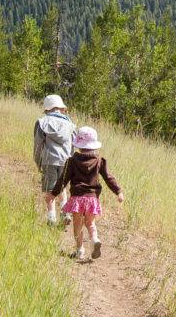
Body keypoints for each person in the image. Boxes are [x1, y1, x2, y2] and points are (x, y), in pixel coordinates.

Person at [48, 126, 124, 260]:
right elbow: (108, 178)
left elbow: (63, 180)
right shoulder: (99, 161)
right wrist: (118, 191)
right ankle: (94, 239)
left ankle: (80, 250)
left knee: (77, 225)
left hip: (77, 199)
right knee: (90, 223)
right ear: (94, 145)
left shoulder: (72, 161)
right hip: (92, 199)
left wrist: (53, 194)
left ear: (78, 144)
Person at [33, 94, 77, 225]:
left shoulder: (42, 123)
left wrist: (38, 162)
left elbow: (37, 145)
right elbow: (73, 146)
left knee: (49, 189)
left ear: (47, 109)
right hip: (66, 160)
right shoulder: (70, 125)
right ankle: (65, 213)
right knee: (62, 187)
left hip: (48, 160)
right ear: (61, 108)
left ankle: (51, 217)